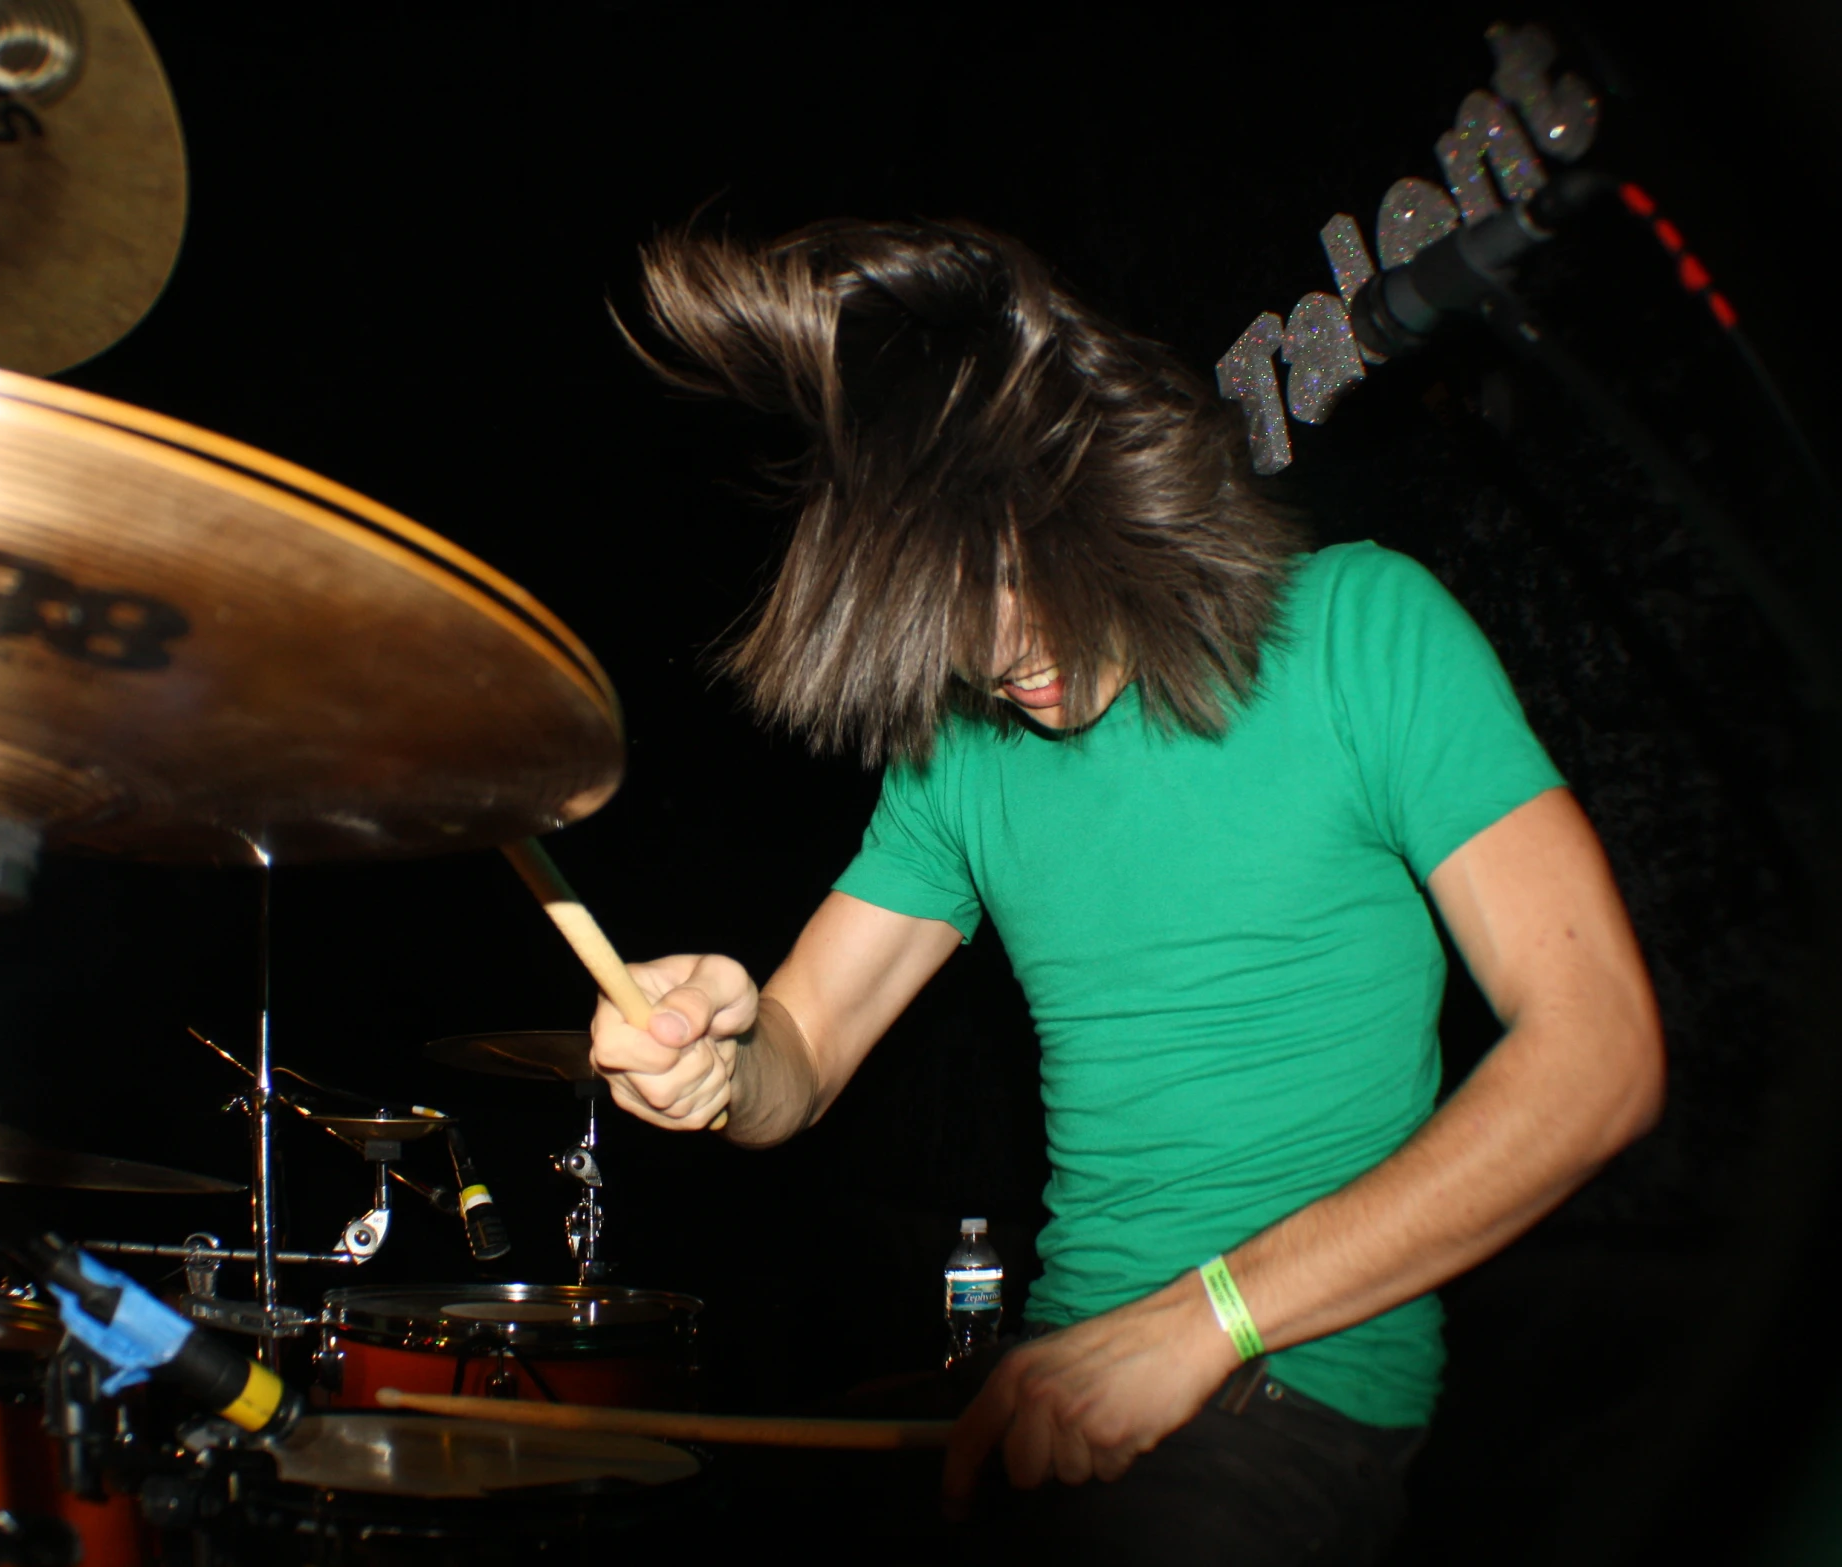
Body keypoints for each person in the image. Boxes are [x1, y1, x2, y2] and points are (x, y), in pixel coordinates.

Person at [588, 219, 1664, 1563]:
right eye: (945, 620)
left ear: (1101, 477)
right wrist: (717, 1059)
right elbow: (799, 1052)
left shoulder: (1359, 630)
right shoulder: (962, 754)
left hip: (1295, 1387)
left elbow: (1601, 1050)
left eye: (1015, 580)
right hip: (1060, 1369)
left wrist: (1197, 1317)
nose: (1002, 662)